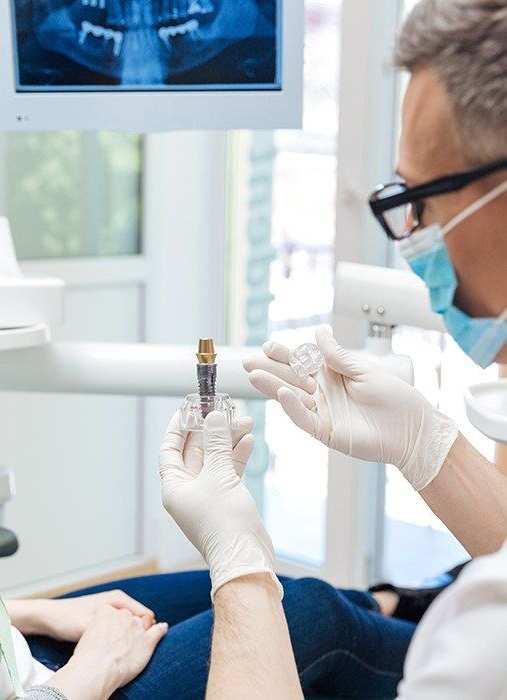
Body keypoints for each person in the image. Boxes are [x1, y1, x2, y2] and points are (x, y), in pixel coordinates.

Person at [0, 77, 457, 700]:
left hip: (5, 653)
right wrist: (94, 666)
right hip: (50, 689)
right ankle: (472, 647)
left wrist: (36, 613)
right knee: (309, 614)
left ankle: (424, 603)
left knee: (278, 588)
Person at [161, 0, 507, 697]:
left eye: (422, 199)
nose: (412, 236)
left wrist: (240, 566)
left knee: (316, 612)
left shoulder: (479, 646)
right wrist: (424, 442)